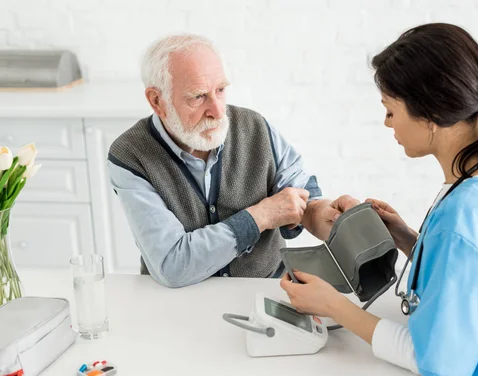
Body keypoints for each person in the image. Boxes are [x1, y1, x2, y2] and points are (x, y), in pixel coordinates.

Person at [280, 23, 478, 376]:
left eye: (391, 110)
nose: (387, 123)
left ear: (431, 115)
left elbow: (435, 360)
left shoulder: (461, 220)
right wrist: (408, 238)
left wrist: (333, 305)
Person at [107, 34, 346, 288]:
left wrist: (324, 215)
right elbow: (172, 264)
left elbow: (302, 199)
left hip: (264, 290)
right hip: (179, 301)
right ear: (157, 101)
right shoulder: (130, 155)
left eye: (220, 90)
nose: (218, 111)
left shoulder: (255, 127)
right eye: (198, 97)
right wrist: (260, 216)